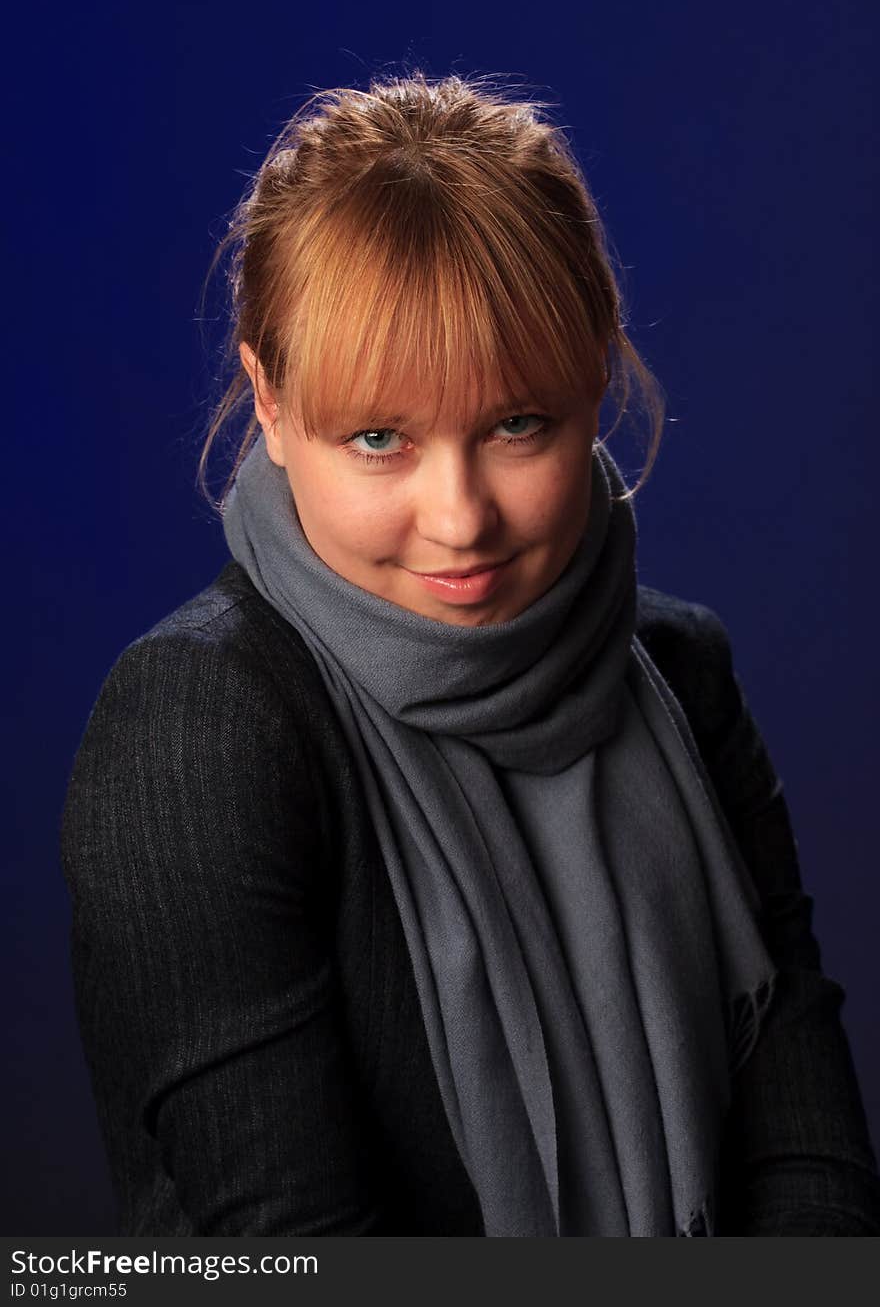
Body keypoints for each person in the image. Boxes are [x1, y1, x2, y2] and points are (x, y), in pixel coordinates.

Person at [60, 71, 880, 1237]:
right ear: (274, 406)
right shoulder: (198, 731)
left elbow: (809, 1164)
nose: (460, 518)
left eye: (514, 425)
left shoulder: (683, 675)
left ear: (595, 373)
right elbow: (291, 1252)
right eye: (379, 438)